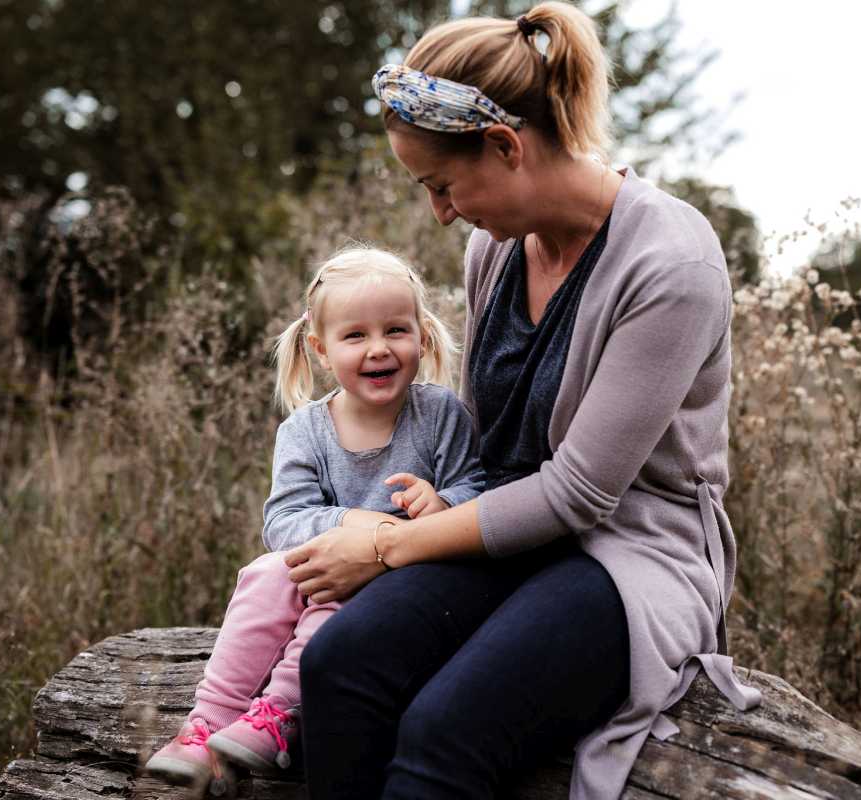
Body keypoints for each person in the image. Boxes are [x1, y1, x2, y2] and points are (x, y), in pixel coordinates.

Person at [285, 3, 762, 798]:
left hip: (632, 551)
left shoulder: (672, 264)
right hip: (500, 525)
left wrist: (387, 548)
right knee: (339, 666)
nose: (440, 214)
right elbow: (492, 438)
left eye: (443, 185)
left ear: (507, 146)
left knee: (445, 730)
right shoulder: (495, 248)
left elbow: (582, 493)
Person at [144, 246, 484, 794]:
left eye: (396, 330)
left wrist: (441, 503)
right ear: (321, 350)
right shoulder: (304, 431)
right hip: (323, 564)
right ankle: (207, 722)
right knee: (264, 573)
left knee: (329, 612)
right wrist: (353, 522)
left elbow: (476, 488)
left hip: (397, 585)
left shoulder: (441, 413)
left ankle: (277, 716)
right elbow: (284, 519)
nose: (379, 348)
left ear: (422, 336)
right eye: (355, 336)